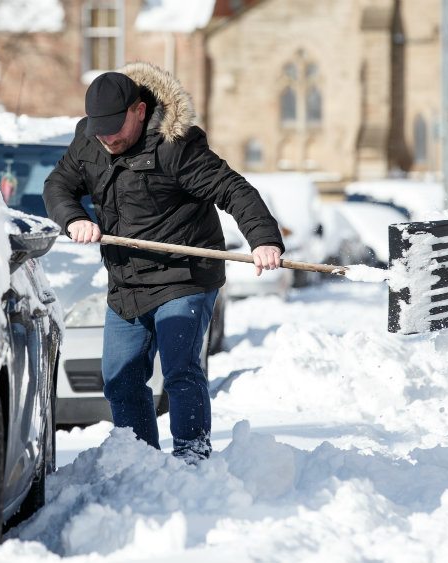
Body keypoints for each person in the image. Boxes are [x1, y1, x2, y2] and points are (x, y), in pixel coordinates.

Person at [44, 62, 284, 463]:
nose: (107, 138)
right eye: (99, 129)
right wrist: (73, 218)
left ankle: (192, 455)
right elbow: (58, 185)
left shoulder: (175, 146)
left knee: (179, 370)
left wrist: (264, 240)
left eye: (114, 128)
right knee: (120, 378)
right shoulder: (89, 143)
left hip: (184, 275)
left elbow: (233, 190)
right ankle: (140, 459)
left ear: (139, 110)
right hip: (127, 282)